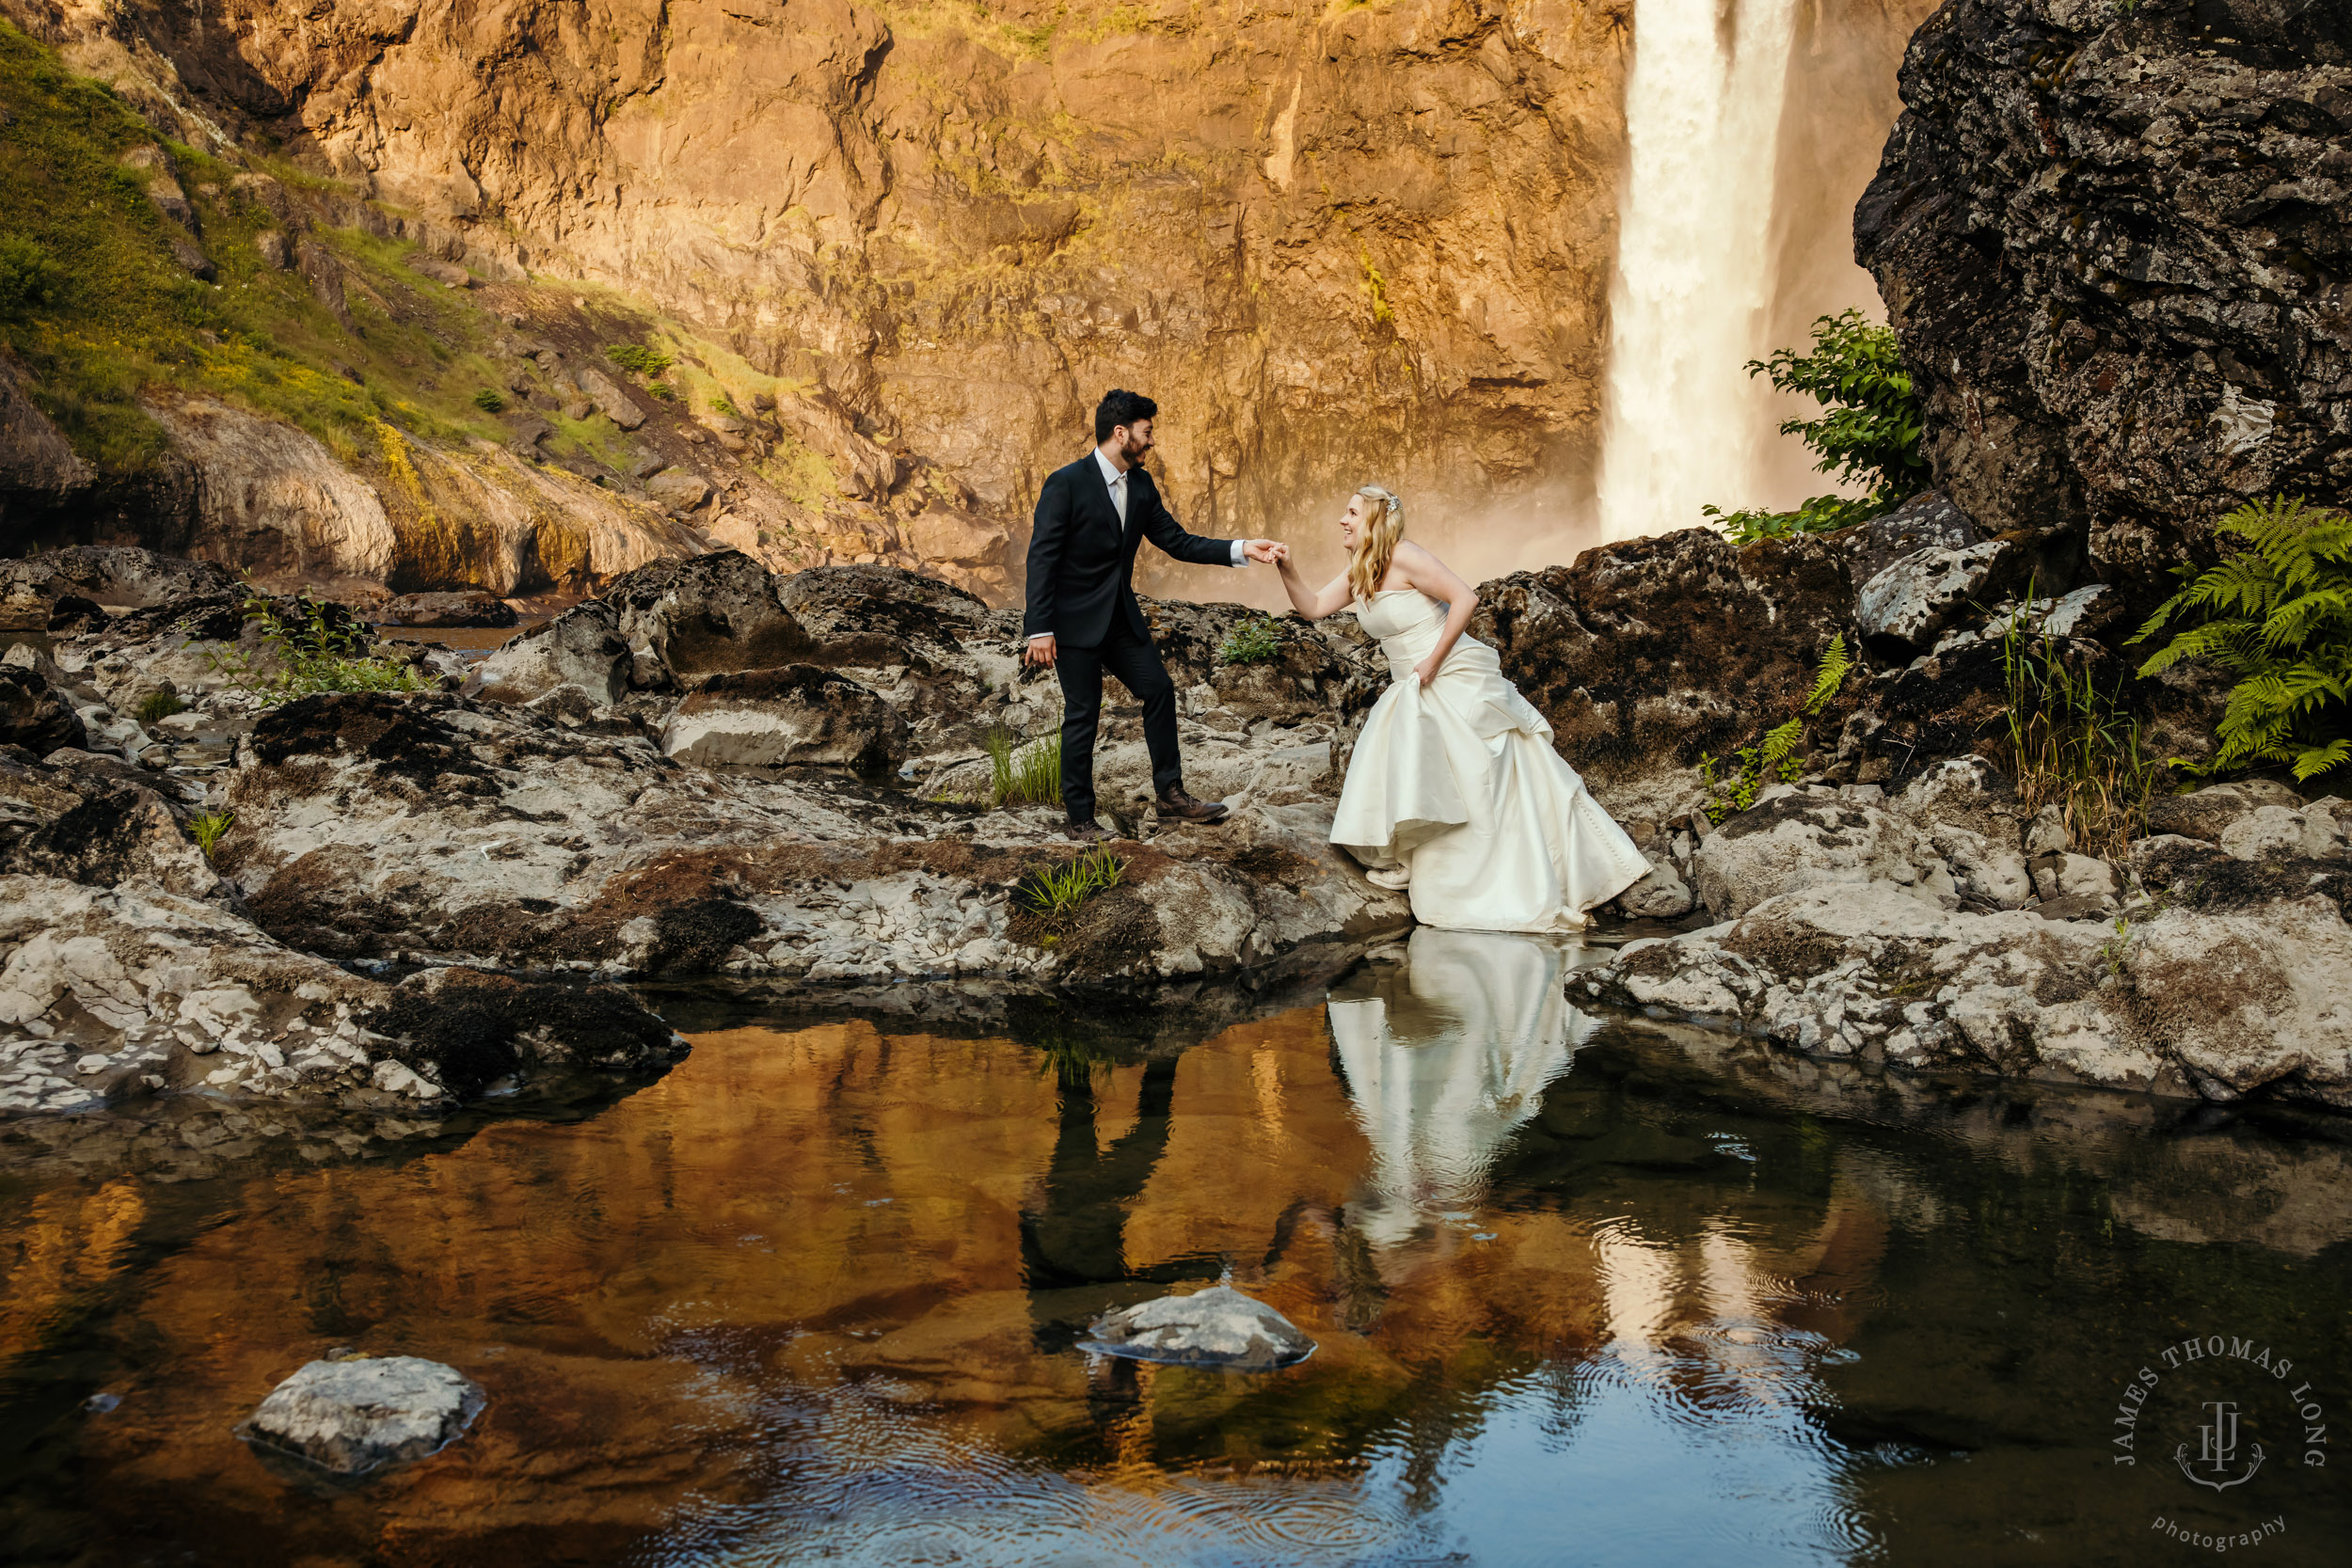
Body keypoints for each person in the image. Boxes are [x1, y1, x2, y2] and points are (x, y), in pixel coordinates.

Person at [1272, 484, 1652, 932]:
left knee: (1478, 770)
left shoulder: (1406, 555)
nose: (1342, 520)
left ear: (1374, 520)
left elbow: (1465, 598)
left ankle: (1516, 874)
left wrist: (1432, 662)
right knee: (1424, 769)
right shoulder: (1360, 571)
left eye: (1352, 512)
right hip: (1411, 682)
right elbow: (1313, 607)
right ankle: (1415, 861)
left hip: (1449, 672)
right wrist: (1287, 567)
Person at [1024, 389, 1284, 842]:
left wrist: (1242, 548)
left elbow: (1178, 542)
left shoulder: (1141, 485)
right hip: (1072, 625)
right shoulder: (1064, 482)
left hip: (1121, 619)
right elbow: (1042, 558)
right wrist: (1039, 630)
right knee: (1083, 714)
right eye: (1147, 433)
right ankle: (1081, 821)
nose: (1152, 442)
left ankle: (1170, 795)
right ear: (1121, 433)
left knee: (1160, 690)